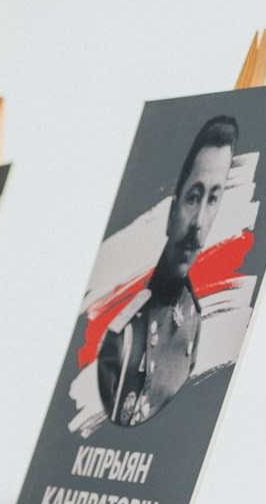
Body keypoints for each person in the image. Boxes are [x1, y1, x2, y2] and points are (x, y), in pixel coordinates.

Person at [99, 115, 238, 426]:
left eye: (213, 199)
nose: (199, 222)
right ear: (173, 208)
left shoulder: (194, 322)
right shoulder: (124, 332)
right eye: (193, 198)